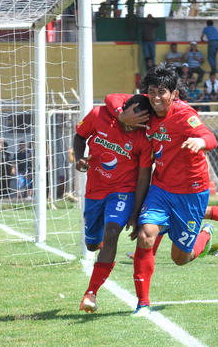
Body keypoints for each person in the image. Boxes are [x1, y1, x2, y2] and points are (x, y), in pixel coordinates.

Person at [105, 64, 218, 317]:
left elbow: (209, 137)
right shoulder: (144, 105)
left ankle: (205, 237)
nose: (156, 98)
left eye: (162, 92)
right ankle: (143, 304)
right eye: (152, 91)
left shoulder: (184, 114)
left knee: (181, 258)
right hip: (161, 188)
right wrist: (121, 115)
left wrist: (199, 141)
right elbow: (111, 98)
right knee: (146, 235)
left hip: (191, 193)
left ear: (174, 94)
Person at [76, 94, 154, 314]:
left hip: (122, 192)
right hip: (95, 190)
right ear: (123, 111)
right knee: (92, 245)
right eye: (132, 122)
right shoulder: (98, 115)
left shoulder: (144, 138)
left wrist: (136, 213)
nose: (133, 129)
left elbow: (142, 178)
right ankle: (99, 246)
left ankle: (91, 292)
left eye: (140, 124)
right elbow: (80, 136)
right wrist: (80, 157)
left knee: (112, 232)